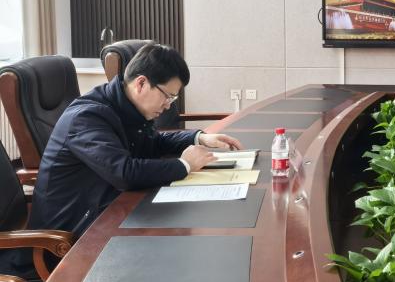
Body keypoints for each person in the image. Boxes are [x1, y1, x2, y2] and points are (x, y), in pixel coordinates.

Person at [26, 43, 241, 239]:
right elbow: (124, 173)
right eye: (167, 96)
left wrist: (199, 138)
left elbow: (154, 142)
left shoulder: (125, 107)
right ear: (141, 83)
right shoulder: (87, 118)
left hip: (107, 211)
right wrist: (184, 165)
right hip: (69, 236)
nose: (168, 105)